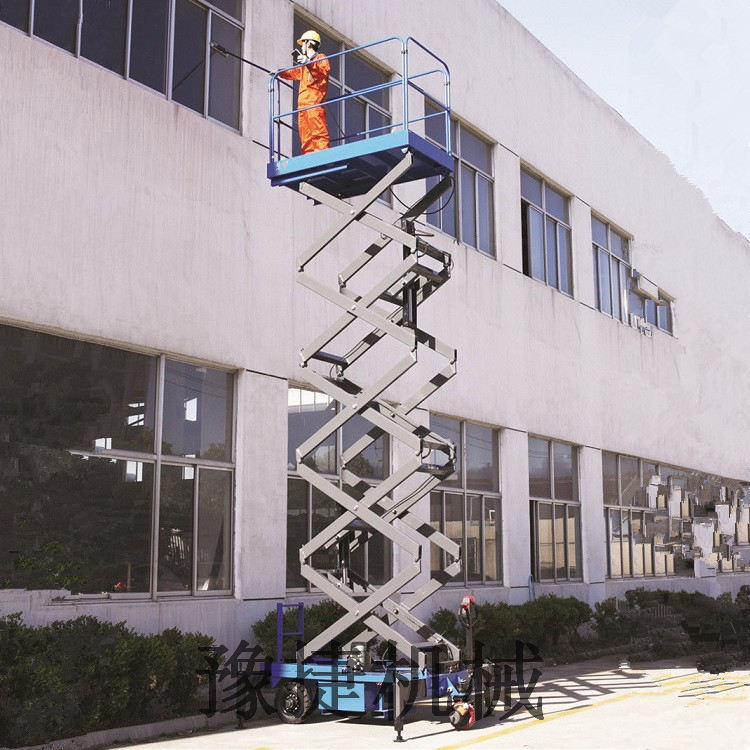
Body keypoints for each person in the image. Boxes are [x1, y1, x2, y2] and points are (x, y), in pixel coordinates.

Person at [278, 30, 331, 154]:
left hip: (313, 104)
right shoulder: (303, 67)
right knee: (305, 136)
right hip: (302, 106)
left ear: (309, 43)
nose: (302, 47)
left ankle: (323, 156)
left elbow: (323, 70)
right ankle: (309, 157)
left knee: (318, 133)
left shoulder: (320, 58)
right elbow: (293, 73)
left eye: (303, 43)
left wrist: (308, 62)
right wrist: (279, 72)